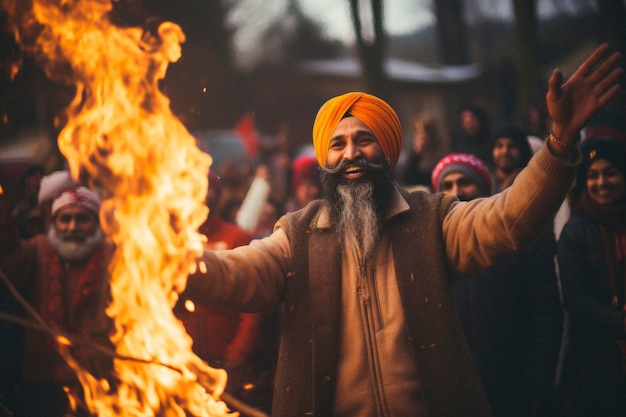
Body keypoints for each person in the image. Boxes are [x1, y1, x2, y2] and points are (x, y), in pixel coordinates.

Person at [179, 45, 622, 416]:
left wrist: (560, 141)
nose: (351, 153)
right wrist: (170, 257)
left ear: (387, 151)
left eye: (364, 139)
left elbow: (507, 220)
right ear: (324, 161)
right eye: (338, 143)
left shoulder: (431, 219)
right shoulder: (297, 235)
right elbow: (241, 273)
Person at [432, 153, 564, 417]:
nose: (456, 191)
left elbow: (545, 314)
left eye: (464, 181)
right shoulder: (430, 247)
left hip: (514, 389)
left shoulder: (518, 239)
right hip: (454, 394)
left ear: (484, 186)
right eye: (447, 185)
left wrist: (538, 384)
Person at [0, 178, 112, 417]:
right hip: (45, 387)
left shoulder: (114, 259)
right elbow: (9, 255)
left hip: (104, 386)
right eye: (65, 218)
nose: (73, 227)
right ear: (53, 223)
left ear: (97, 223)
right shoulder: (37, 250)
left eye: (82, 218)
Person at [174, 171, 277, 413]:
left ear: (216, 195)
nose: (201, 194)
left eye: (207, 188)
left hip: (226, 357)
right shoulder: (173, 241)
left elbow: (253, 303)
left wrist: (239, 352)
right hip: (182, 357)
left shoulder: (237, 237)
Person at [557, 137, 626, 417]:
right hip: (597, 360)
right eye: (593, 175)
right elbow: (575, 301)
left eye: (610, 172)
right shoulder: (576, 232)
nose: (602, 182)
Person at [400, 112, 451, 189]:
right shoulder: (414, 153)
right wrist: (416, 153)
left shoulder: (442, 152)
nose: (422, 137)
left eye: (425, 133)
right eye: (418, 133)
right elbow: (406, 178)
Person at [489, 123, 534, 192]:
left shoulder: (532, 181)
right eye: (499, 146)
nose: (505, 151)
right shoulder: (485, 182)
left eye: (511, 146)